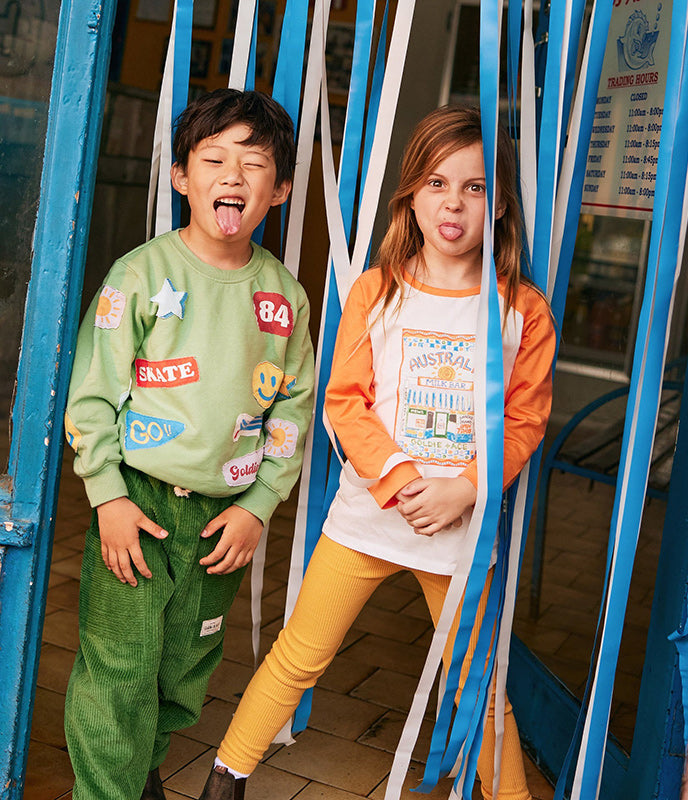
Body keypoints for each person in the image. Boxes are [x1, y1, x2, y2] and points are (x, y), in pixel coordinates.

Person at [197, 104, 556, 800]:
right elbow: (345, 401)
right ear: (411, 195)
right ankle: (225, 779)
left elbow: (525, 418)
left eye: (475, 187)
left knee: (480, 691)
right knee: (298, 656)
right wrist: (398, 480)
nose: (454, 203)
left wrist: (466, 488)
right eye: (437, 183)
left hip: (460, 533)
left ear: (500, 204)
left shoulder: (523, 310)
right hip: (366, 521)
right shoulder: (377, 290)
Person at [62, 88, 314, 800]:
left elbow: (292, 411)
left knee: (182, 672)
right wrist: (107, 497)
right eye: (213, 159)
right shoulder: (141, 276)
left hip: (220, 520)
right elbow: (91, 395)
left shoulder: (284, 299)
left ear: (280, 188)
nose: (233, 176)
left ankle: (138, 773)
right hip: (136, 505)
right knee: (118, 670)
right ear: (180, 177)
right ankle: (106, 790)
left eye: (254, 164)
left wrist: (259, 505)